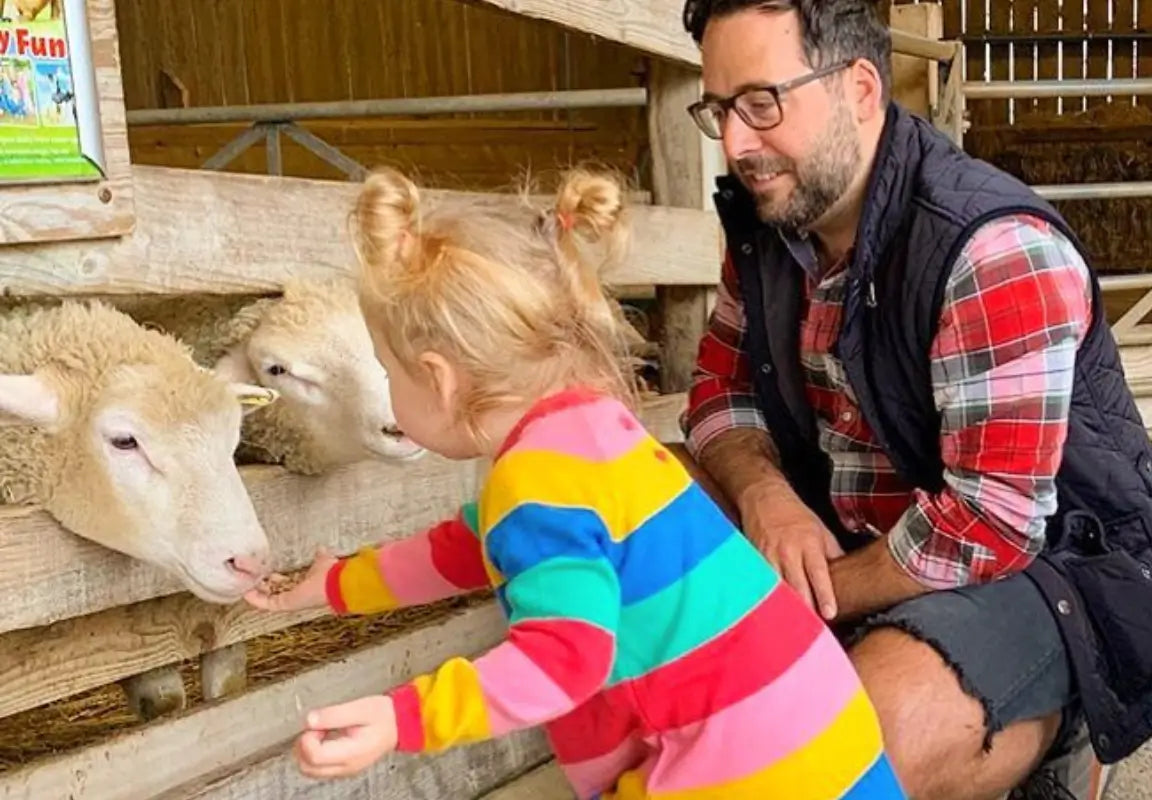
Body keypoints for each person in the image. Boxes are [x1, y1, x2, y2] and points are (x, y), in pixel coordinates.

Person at [245, 166, 907, 799]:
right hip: (820, 725)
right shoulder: (589, 431)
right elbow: (464, 549)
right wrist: (337, 584)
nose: (390, 390)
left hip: (738, 767)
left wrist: (404, 719)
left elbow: (562, 662)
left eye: (389, 373)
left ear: (439, 379)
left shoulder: (536, 486)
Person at [675, 1, 1152, 798]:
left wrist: (810, 595)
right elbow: (717, 390)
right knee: (624, 494)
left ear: (861, 89)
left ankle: (1057, 726)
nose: (734, 143)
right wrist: (765, 498)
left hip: (1046, 565)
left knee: (843, 752)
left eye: (761, 103)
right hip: (846, 531)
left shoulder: (989, 247)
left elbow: (993, 523)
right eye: (719, 109)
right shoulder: (772, 222)